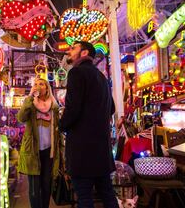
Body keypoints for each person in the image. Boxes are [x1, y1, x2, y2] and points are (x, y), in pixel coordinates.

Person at [59, 41, 118, 208]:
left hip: (82, 151)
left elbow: (73, 109)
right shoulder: (101, 77)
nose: (69, 51)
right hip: (101, 151)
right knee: (107, 195)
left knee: (84, 198)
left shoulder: (76, 73)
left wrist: (61, 125)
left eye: (73, 48)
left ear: (84, 53)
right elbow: (111, 108)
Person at [17, 78, 60, 208]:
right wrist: (30, 97)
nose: (38, 86)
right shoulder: (30, 103)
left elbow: (58, 129)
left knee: (47, 186)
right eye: (35, 84)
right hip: (33, 150)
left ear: (47, 88)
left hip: (49, 151)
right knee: (35, 188)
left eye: (41, 84)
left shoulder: (54, 106)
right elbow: (21, 118)